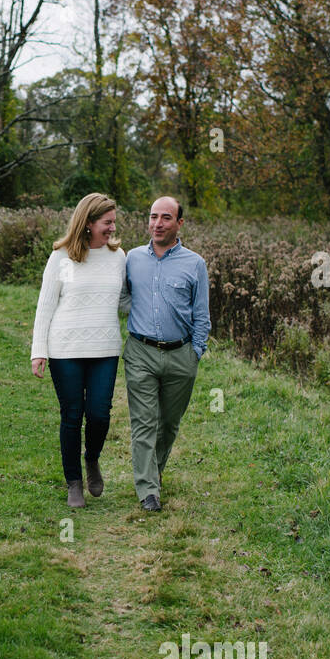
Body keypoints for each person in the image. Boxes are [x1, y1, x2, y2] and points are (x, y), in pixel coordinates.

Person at [30, 193, 126, 508]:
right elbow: (46, 305)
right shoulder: (62, 257)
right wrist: (38, 350)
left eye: (113, 222)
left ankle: (92, 459)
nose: (112, 228)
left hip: (105, 347)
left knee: (99, 413)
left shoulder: (118, 256)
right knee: (72, 415)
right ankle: (74, 483)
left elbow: (125, 299)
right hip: (65, 348)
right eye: (107, 222)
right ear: (88, 223)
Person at [118, 195, 211, 512]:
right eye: (153, 216)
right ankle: (148, 491)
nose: (157, 223)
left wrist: (195, 352)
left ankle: (152, 474)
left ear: (179, 223)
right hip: (140, 352)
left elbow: (202, 315)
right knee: (144, 422)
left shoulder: (195, 264)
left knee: (168, 424)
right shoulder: (131, 258)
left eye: (166, 218)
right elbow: (121, 298)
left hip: (180, 355)